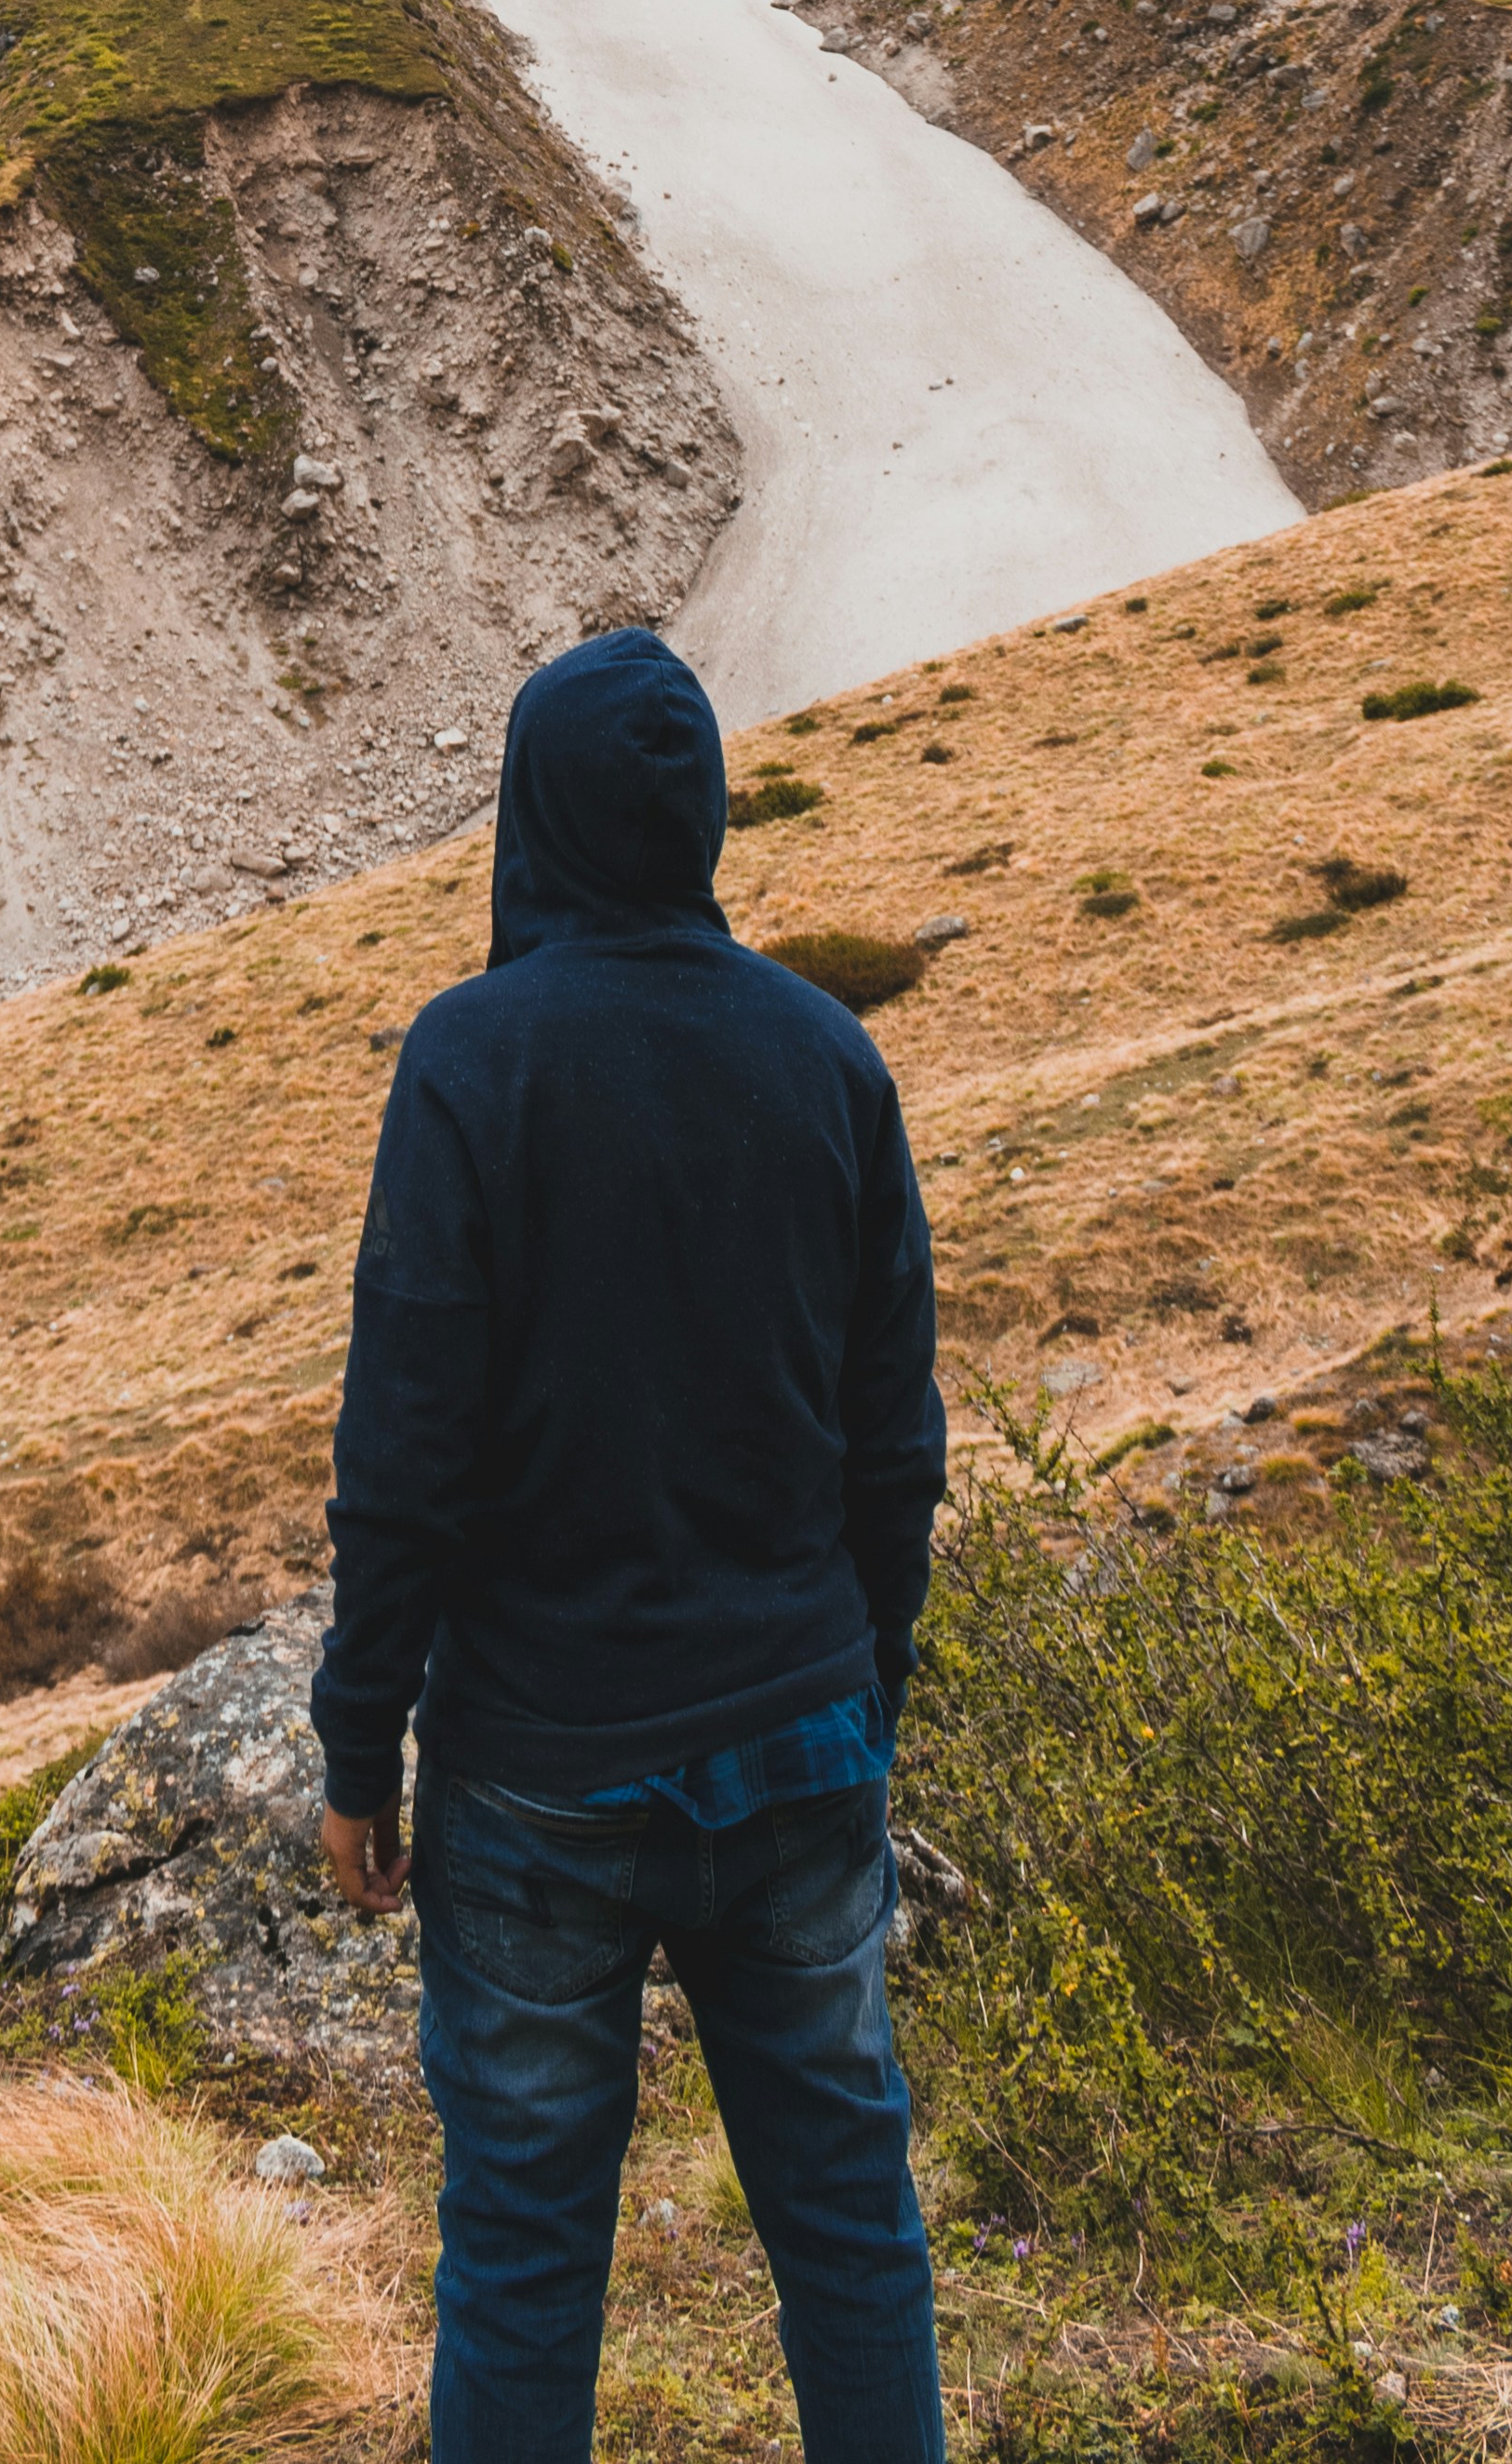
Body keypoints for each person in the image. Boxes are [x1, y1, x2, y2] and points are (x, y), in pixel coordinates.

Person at [313, 625, 947, 2464]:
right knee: (848, 2217)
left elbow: (405, 1450)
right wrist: (863, 1684)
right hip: (803, 1729)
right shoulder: (828, 1058)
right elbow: (892, 1445)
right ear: (702, 816)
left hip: (539, 1769)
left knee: (520, 2252)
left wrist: (365, 1744)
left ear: (533, 817)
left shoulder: (470, 1062)